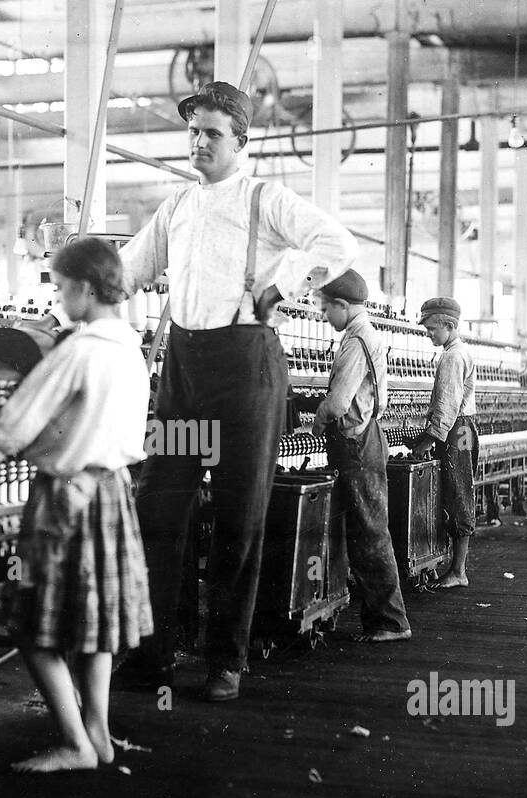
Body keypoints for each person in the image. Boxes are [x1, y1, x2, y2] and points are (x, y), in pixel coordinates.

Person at [116, 80, 359, 702]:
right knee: (159, 509)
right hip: (185, 371)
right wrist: (74, 278)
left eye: (213, 133)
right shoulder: (174, 208)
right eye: (194, 131)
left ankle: (226, 660)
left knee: (239, 516)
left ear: (240, 142)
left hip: (245, 371)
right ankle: (151, 656)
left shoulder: (264, 199)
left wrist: (284, 286)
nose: (199, 142)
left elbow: (337, 244)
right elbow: (129, 273)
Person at [0, 237, 153, 772]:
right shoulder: (129, 347)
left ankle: (74, 745)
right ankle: (99, 736)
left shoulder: (80, 351)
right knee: (93, 625)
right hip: (111, 492)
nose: (58, 299)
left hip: (65, 497)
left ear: (85, 287)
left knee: (33, 624)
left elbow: (20, 417)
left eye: (61, 288)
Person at [311, 269, 411, 643]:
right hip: (367, 438)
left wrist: (316, 423)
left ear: (341, 305)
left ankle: (390, 621)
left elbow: (337, 404)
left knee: (369, 531)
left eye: (325, 311)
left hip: (354, 444)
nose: (324, 317)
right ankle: (382, 618)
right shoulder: (370, 336)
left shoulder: (355, 342)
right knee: (367, 528)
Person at [410, 297, 478, 589]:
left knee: (458, 493)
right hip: (461, 429)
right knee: (456, 491)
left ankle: (458, 571)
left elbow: (447, 407)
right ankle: (453, 566)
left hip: (455, 430)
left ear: (449, 325)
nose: (429, 334)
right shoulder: (458, 351)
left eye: (432, 329)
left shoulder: (452, 356)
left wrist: (428, 440)